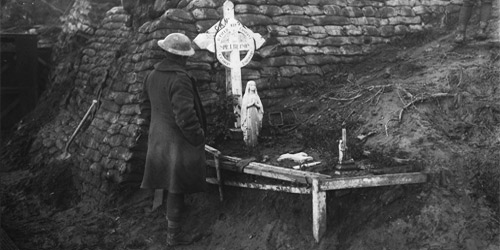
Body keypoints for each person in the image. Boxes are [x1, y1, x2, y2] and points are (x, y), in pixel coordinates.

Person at [140, 33, 207, 246]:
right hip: (176, 142)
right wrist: (198, 137)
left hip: (158, 139)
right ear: (181, 57)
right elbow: (185, 116)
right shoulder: (180, 79)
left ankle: (172, 225)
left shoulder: (151, 76)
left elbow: (145, 107)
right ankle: (174, 237)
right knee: (176, 186)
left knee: (168, 183)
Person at [241, 81, 264, 147]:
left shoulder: (256, 96)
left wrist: (256, 104)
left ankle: (255, 142)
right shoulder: (246, 96)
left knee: (255, 126)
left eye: (254, 85)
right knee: (249, 127)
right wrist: (251, 104)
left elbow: (260, 106)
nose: (253, 87)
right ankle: (249, 143)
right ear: (249, 87)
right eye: (251, 85)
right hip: (248, 114)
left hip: (255, 113)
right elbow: (244, 107)